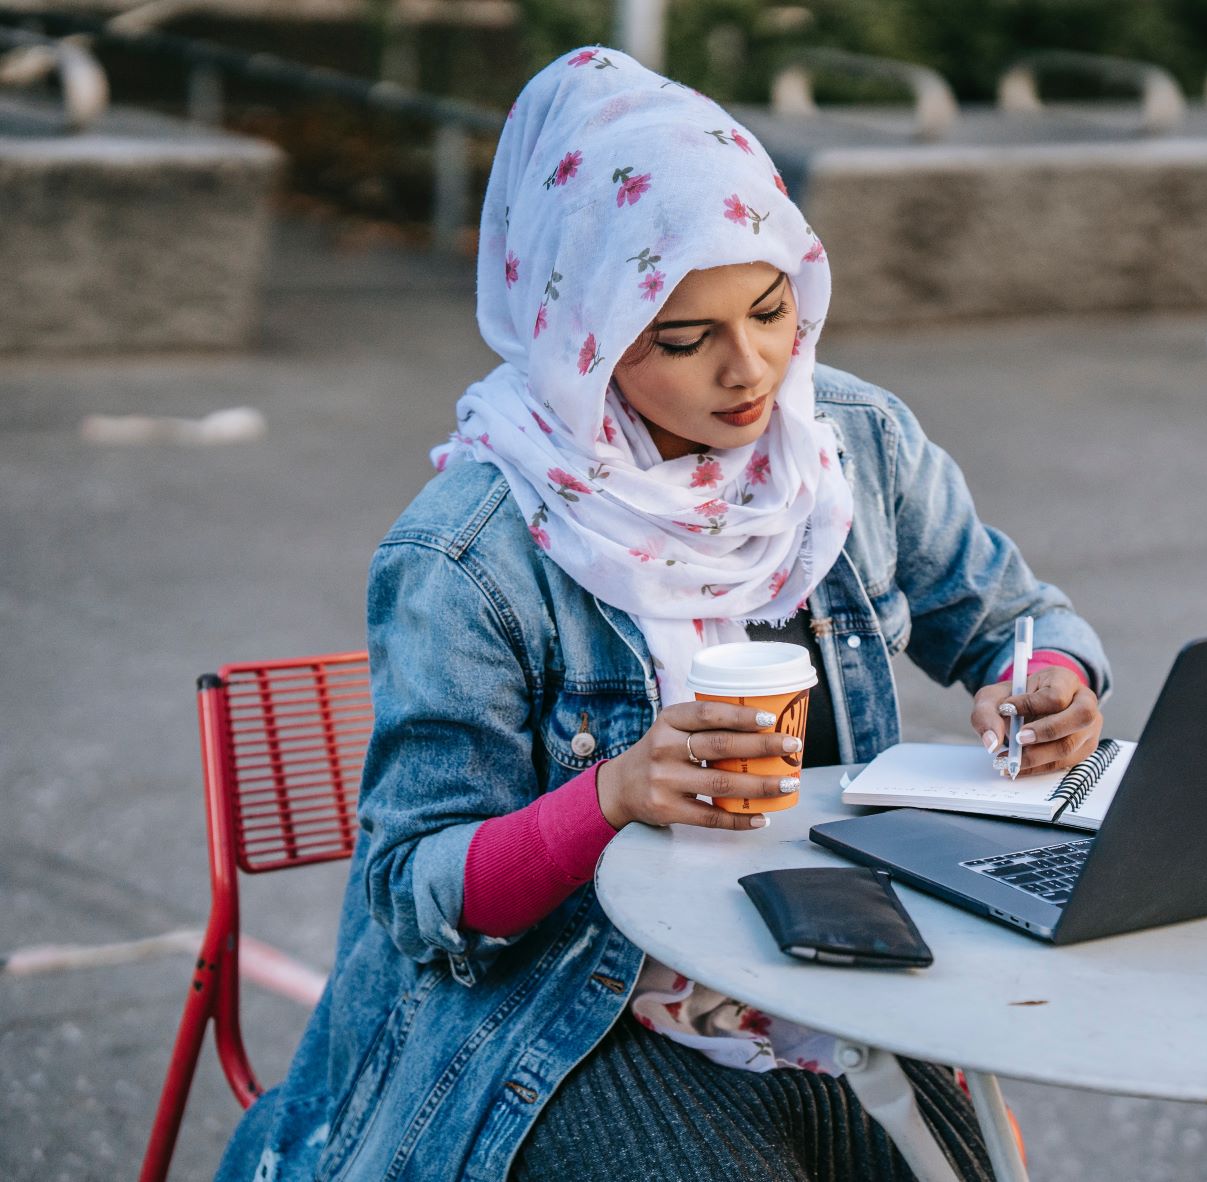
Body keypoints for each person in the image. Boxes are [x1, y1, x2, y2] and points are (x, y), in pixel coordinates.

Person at [216, 47, 1110, 1182]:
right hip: (569, 999)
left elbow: (1014, 618)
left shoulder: (850, 444)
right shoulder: (471, 546)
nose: (752, 371)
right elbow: (415, 891)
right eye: (683, 339)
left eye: (773, 309)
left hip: (825, 947)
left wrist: (1049, 687)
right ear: (579, 334)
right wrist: (611, 799)